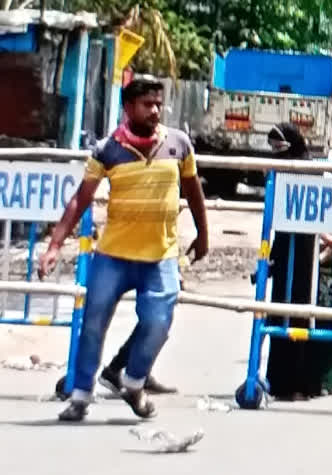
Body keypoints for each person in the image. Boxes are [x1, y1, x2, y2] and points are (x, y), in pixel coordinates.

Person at [39, 78, 209, 421]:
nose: (155, 111)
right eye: (147, 104)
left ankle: (133, 383)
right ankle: (81, 396)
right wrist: (55, 244)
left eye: (158, 104)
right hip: (113, 256)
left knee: (159, 323)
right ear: (128, 108)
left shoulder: (179, 144)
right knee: (93, 325)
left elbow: (193, 192)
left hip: (160, 256)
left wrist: (203, 235)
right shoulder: (107, 150)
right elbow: (80, 199)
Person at [265, 122, 332, 400]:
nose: (276, 155)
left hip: (307, 258)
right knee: (279, 315)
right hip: (285, 255)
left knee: (300, 315)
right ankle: (279, 380)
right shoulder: (281, 173)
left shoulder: (314, 174)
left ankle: (299, 383)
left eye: (280, 148)